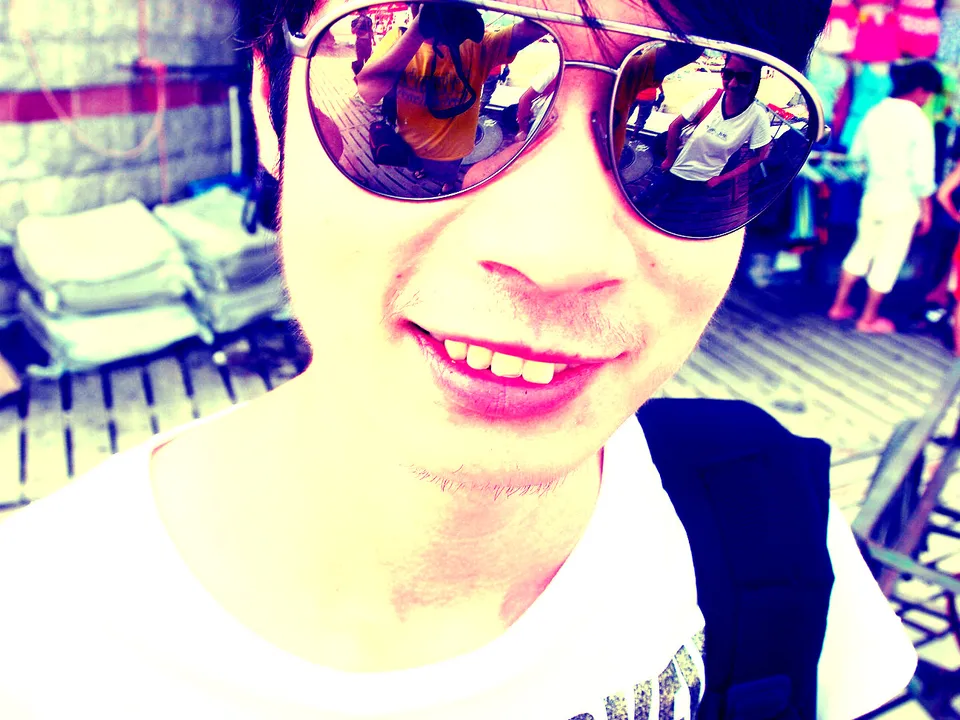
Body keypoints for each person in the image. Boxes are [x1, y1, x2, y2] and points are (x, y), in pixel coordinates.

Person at [0, 0, 917, 717]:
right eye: (429, 94)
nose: (557, 253)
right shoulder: (32, 642)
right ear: (268, 107)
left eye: (694, 126)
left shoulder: (770, 527)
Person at [356, 3, 545, 193]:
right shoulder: (399, 37)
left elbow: (540, 25)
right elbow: (368, 93)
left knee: (449, 175)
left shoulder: (478, 44)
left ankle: (449, 184)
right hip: (408, 143)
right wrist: (419, 30)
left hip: (452, 152)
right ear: (413, 6)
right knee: (414, 165)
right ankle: (427, 172)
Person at [828, 60, 943, 333]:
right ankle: (868, 318)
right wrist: (927, 211)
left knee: (861, 249)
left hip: (873, 193)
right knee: (889, 257)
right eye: (929, 93)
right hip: (902, 199)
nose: (928, 99)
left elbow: (857, 157)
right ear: (920, 89)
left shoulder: (875, 112)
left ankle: (839, 305)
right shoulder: (918, 121)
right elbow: (922, 175)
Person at [350, 7, 375, 75]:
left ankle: (366, 74)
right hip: (360, 41)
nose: (364, 12)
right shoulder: (355, 21)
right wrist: (359, 24)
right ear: (359, 12)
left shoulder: (369, 20)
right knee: (360, 60)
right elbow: (353, 31)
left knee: (368, 59)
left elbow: (370, 30)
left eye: (365, 11)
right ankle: (360, 74)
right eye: (363, 11)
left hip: (368, 42)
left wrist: (373, 39)